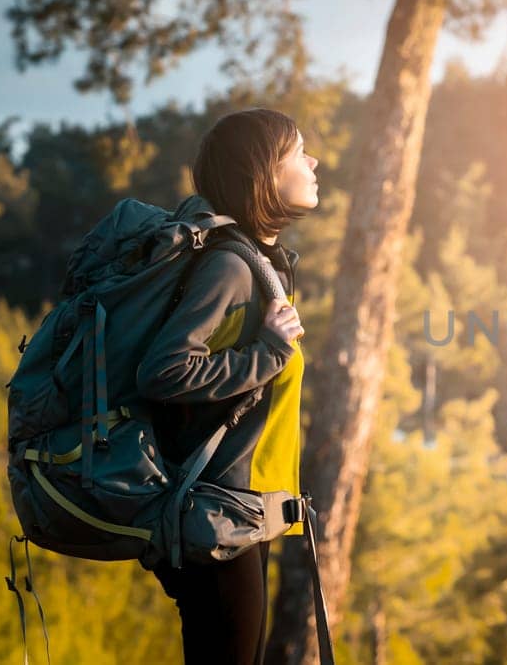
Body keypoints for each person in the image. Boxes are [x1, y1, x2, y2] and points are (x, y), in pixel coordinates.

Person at [135, 107, 318, 664]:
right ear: (264, 172)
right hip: (216, 519)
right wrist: (267, 354)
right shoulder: (232, 268)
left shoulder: (259, 262)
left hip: (239, 516)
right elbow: (164, 371)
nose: (313, 162)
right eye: (297, 153)